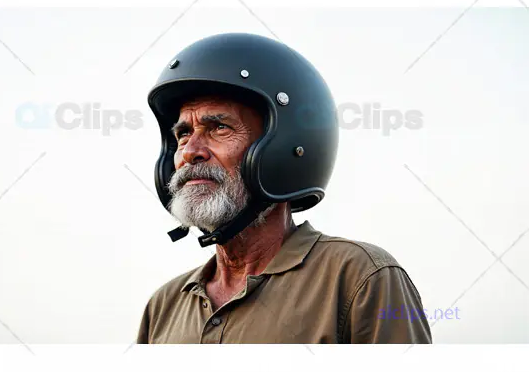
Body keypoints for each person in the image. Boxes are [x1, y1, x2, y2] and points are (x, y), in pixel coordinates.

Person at [136, 33, 432, 344]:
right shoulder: (163, 307)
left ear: (284, 147)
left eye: (219, 127)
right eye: (183, 133)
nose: (189, 151)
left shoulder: (360, 278)